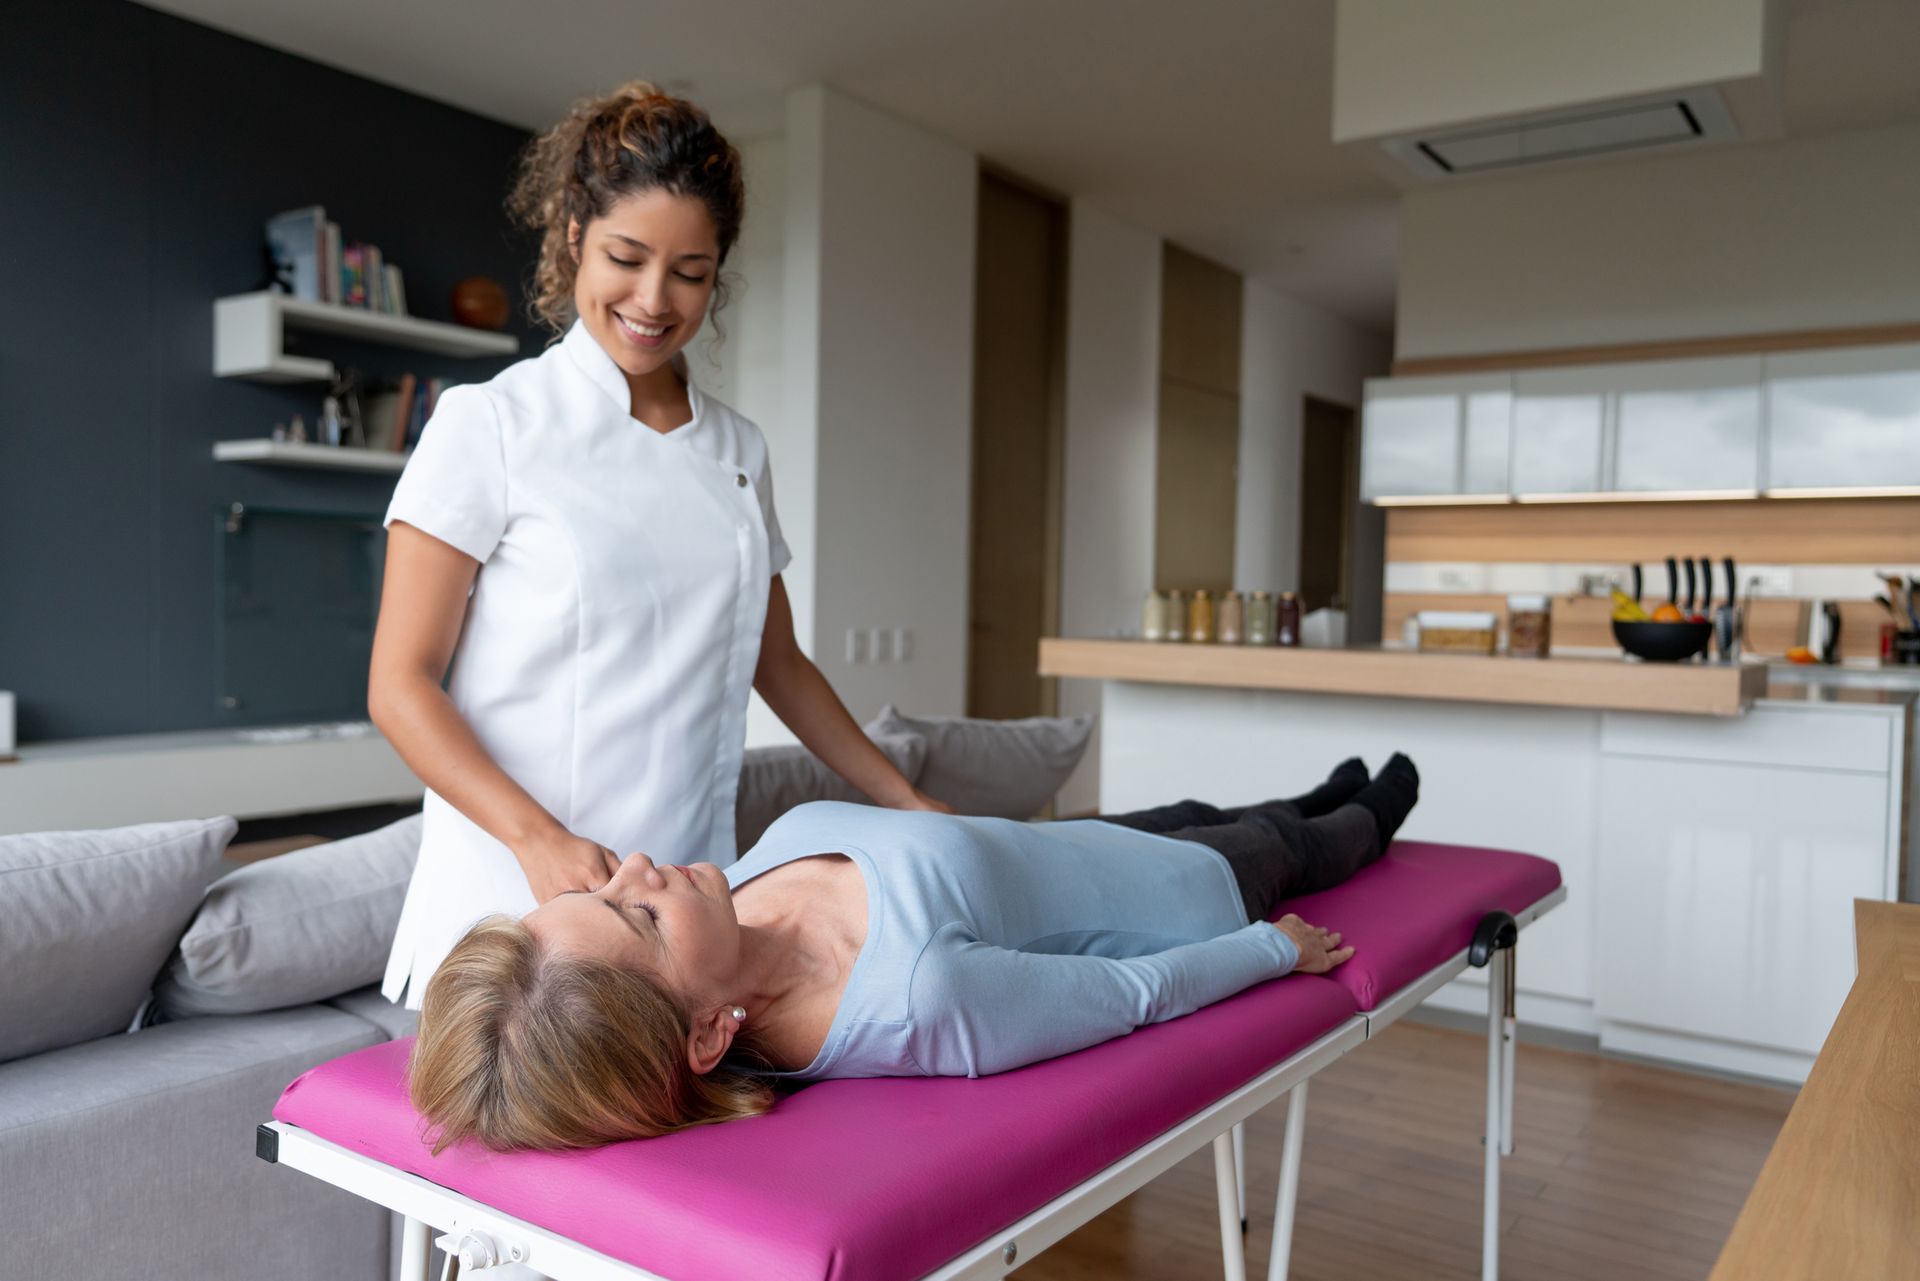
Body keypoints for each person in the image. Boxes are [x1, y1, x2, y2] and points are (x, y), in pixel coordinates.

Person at [369, 83, 944, 1011]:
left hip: (681, 923)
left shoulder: (738, 451)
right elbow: (400, 685)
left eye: (690, 270)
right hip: (511, 903)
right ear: (571, 238)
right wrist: (536, 837)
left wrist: (904, 798)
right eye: (626, 258)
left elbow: (780, 662)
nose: (653, 299)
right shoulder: (491, 424)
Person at [408, 755, 1421, 1152]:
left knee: (1223, 803)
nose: (635, 866)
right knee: (1308, 841)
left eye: (606, 889)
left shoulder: (728, 906)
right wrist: (1269, 952)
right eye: (641, 917)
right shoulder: (918, 997)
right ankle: (1370, 806)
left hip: (1087, 837)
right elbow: (1128, 992)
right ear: (713, 1032)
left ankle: (1315, 790)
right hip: (1188, 895)